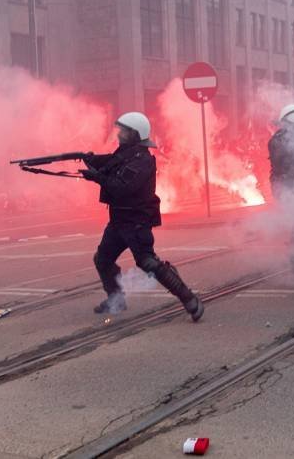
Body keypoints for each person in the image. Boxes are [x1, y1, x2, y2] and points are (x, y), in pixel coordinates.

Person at [81, 112, 204, 321]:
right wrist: (91, 160)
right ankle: (116, 300)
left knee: (147, 262)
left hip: (136, 222)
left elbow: (122, 187)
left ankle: (189, 299)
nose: (119, 134)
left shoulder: (142, 160)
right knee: (103, 259)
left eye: (124, 131)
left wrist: (97, 177)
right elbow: (109, 162)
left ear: (135, 134)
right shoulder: (125, 154)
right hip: (119, 221)